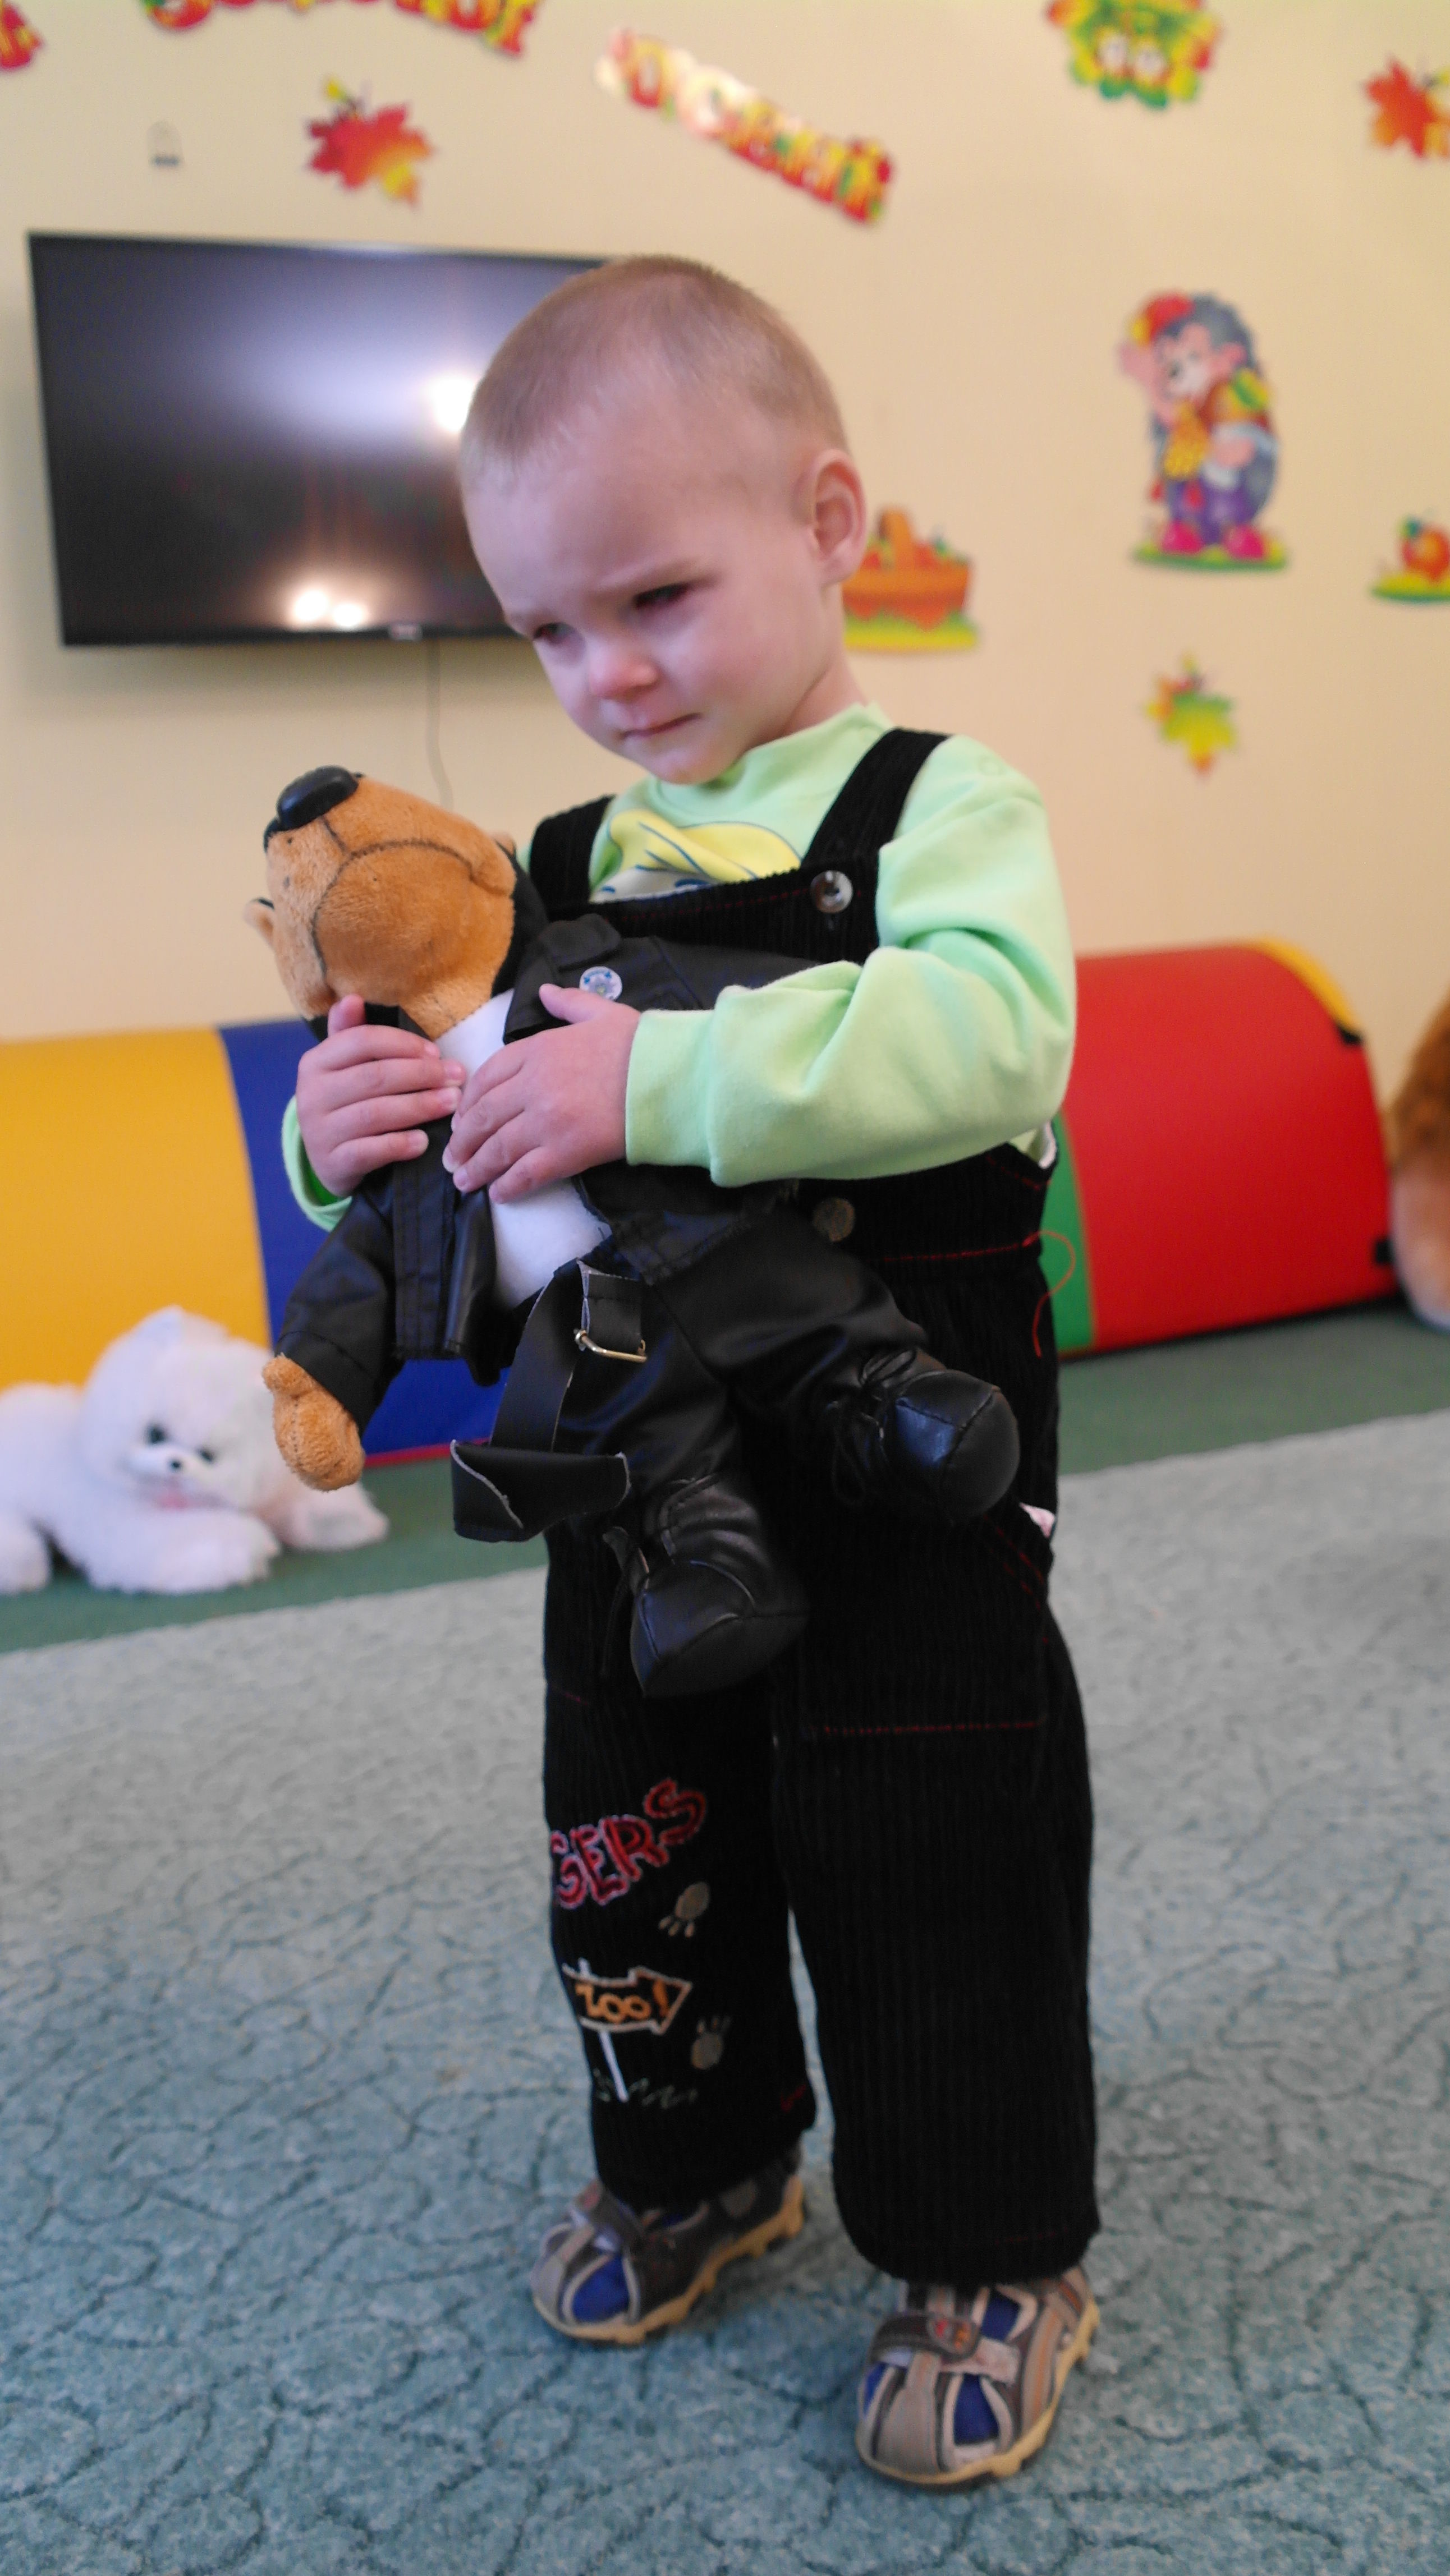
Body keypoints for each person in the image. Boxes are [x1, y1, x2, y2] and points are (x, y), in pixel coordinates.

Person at [286, 256, 1098, 2488]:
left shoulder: (940, 803)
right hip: (628, 1465)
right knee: (632, 1826)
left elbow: (996, 1035)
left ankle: (990, 2241)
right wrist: (338, 1123)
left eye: (655, 596)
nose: (606, 673)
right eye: (548, 629)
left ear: (828, 521)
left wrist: (662, 1076)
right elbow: (419, 1104)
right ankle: (701, 2158)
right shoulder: (532, 867)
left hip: (905, 1449)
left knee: (927, 1832)